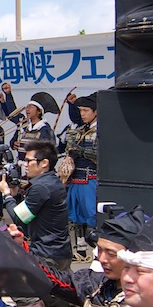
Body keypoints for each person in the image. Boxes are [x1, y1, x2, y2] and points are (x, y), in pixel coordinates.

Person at [0, 139, 72, 277]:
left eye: (28, 161)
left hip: (48, 256)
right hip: (58, 252)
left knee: (21, 291)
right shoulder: (51, 181)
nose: (25, 165)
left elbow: (20, 218)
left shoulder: (41, 187)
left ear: (44, 163)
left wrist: (6, 193)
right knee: (57, 296)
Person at [60, 96, 100, 252]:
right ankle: (80, 248)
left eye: (86, 110)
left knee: (91, 215)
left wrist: (82, 151)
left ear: (95, 112)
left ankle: (97, 249)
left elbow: (102, 155)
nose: (82, 114)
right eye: (80, 110)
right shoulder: (78, 131)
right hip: (75, 177)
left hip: (91, 177)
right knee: (75, 214)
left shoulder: (102, 131)